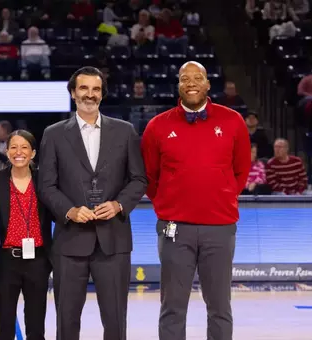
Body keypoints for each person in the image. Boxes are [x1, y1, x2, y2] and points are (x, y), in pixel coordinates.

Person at [141, 61, 250, 340]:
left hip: (220, 227)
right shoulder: (158, 126)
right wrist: (171, 204)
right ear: (178, 85)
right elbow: (149, 177)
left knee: (219, 306)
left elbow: (241, 170)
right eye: (184, 78)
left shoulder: (233, 121)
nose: (191, 83)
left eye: (197, 77)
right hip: (175, 228)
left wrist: (221, 195)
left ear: (207, 83)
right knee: (172, 307)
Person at [38, 66, 147, 340]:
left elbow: (138, 180)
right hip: (70, 241)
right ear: (73, 94)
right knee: (67, 321)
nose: (90, 94)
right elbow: (46, 186)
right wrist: (69, 210)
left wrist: (119, 205)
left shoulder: (125, 131)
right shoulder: (53, 134)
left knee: (115, 321)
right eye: (84, 88)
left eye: (96, 89)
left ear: (102, 94)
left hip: (113, 241)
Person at [0, 130, 53, 340]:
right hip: (6, 260)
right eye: (13, 147)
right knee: (4, 322)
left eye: (24, 147)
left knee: (36, 322)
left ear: (33, 153)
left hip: (38, 260)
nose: (18, 152)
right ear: (7, 152)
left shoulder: (44, 181)